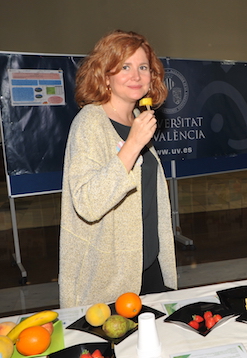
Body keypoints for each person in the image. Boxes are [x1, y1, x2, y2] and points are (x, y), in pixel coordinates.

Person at [59, 30, 178, 308]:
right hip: (109, 279)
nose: (136, 76)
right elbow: (87, 203)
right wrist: (133, 144)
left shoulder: (137, 118)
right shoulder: (90, 122)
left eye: (143, 67)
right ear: (105, 73)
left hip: (148, 267)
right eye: (125, 67)